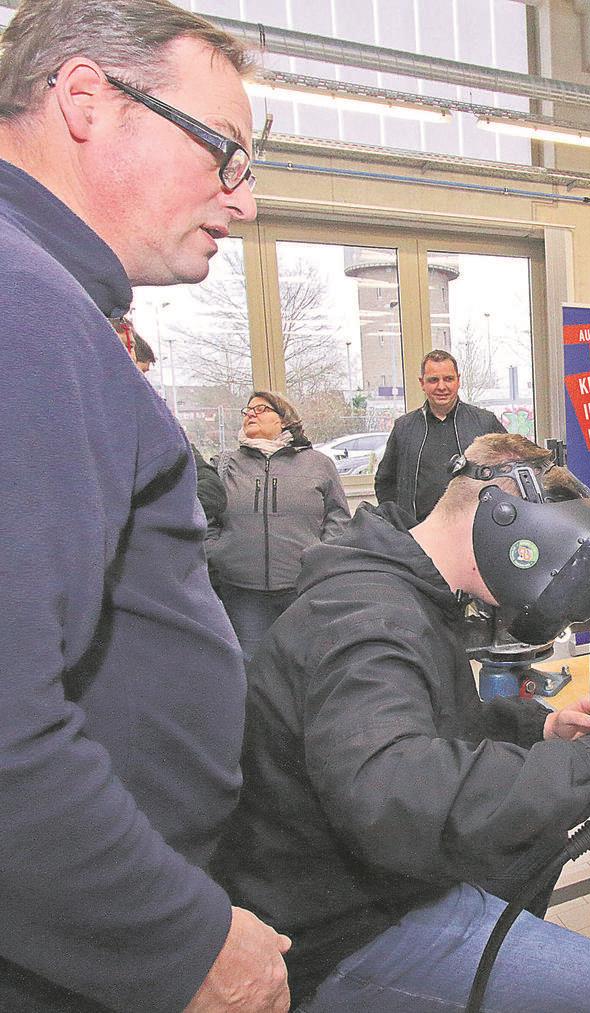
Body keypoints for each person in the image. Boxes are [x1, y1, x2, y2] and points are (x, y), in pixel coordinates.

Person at [0, 2, 294, 1010]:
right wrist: (181, 940)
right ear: (85, 98)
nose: (241, 201)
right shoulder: (21, 303)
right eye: (226, 153)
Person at [213, 433, 590, 1011]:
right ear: (507, 522)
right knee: (587, 985)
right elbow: (389, 785)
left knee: (533, 847)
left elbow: (423, 723)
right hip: (338, 925)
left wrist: (534, 729)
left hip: (366, 879)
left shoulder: (406, 588)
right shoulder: (367, 618)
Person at [207, 390, 350, 661]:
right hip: (242, 593)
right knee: (250, 668)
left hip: (303, 589)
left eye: (261, 409)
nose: (250, 413)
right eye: (247, 410)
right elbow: (206, 517)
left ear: (284, 420)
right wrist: (218, 552)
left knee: (302, 664)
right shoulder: (225, 465)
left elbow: (338, 517)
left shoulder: (318, 464)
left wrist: (321, 555)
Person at [375, 349, 507, 522]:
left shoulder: (485, 422)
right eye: (433, 380)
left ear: (458, 380)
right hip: (418, 534)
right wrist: (398, 522)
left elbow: (508, 473)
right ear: (422, 383)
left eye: (448, 379)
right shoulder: (404, 428)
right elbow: (385, 482)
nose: (441, 386)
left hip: (473, 531)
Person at [123, 319, 229, 525]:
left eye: (144, 373)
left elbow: (212, 489)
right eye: (140, 371)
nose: (143, 382)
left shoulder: (161, 426)